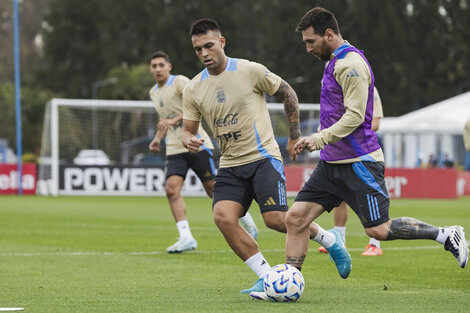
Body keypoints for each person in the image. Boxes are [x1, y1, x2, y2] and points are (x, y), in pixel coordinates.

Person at [284, 6, 468, 282]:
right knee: (295, 219)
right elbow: (335, 112)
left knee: (378, 230)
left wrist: (317, 138)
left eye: (311, 41)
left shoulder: (351, 64)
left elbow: (356, 117)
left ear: (329, 34)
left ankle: (445, 234)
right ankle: (288, 282)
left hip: (360, 163)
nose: (308, 48)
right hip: (331, 164)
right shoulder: (332, 63)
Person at [182, 18, 349, 299]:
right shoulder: (193, 88)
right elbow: (187, 131)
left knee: (275, 220)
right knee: (223, 218)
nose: (204, 53)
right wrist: (190, 141)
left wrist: (294, 136)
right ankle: (267, 276)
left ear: (222, 42)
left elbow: (288, 93)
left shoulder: (249, 70)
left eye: (209, 46)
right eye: (198, 49)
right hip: (230, 164)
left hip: (263, 158)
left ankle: (329, 240)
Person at [148, 50, 258, 253]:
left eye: (161, 65)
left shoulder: (180, 82)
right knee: (171, 189)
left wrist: (174, 120)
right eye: (154, 66)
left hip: (197, 143)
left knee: (213, 190)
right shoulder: (153, 92)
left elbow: (197, 104)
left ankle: (245, 219)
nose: (157, 69)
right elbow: (165, 122)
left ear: (169, 67)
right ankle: (186, 237)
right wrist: (156, 140)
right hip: (174, 147)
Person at [318, 86, 384, 256]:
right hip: (339, 154)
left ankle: (375, 245)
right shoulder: (336, 90)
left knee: (369, 198)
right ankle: (340, 241)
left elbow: (375, 123)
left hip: (361, 155)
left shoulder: (368, 88)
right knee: (339, 199)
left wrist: (344, 130)